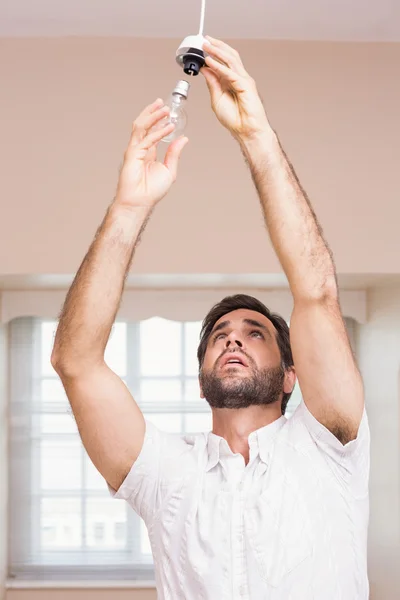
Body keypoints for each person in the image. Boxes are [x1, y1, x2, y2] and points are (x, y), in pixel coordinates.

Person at [52, 36, 369, 599]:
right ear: (201, 380)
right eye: (219, 336)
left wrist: (256, 137)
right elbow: (76, 362)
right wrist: (129, 209)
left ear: (292, 374)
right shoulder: (165, 474)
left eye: (256, 333)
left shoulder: (330, 445)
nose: (234, 341)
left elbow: (316, 291)